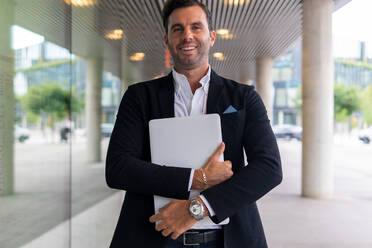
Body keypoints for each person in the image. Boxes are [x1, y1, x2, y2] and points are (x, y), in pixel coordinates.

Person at [105, 0, 282, 247]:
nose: (187, 35)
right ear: (167, 40)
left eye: (196, 27)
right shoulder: (139, 97)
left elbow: (269, 168)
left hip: (227, 239)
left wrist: (196, 208)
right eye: (177, 29)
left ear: (211, 37)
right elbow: (118, 168)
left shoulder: (243, 98)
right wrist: (197, 179)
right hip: (153, 237)